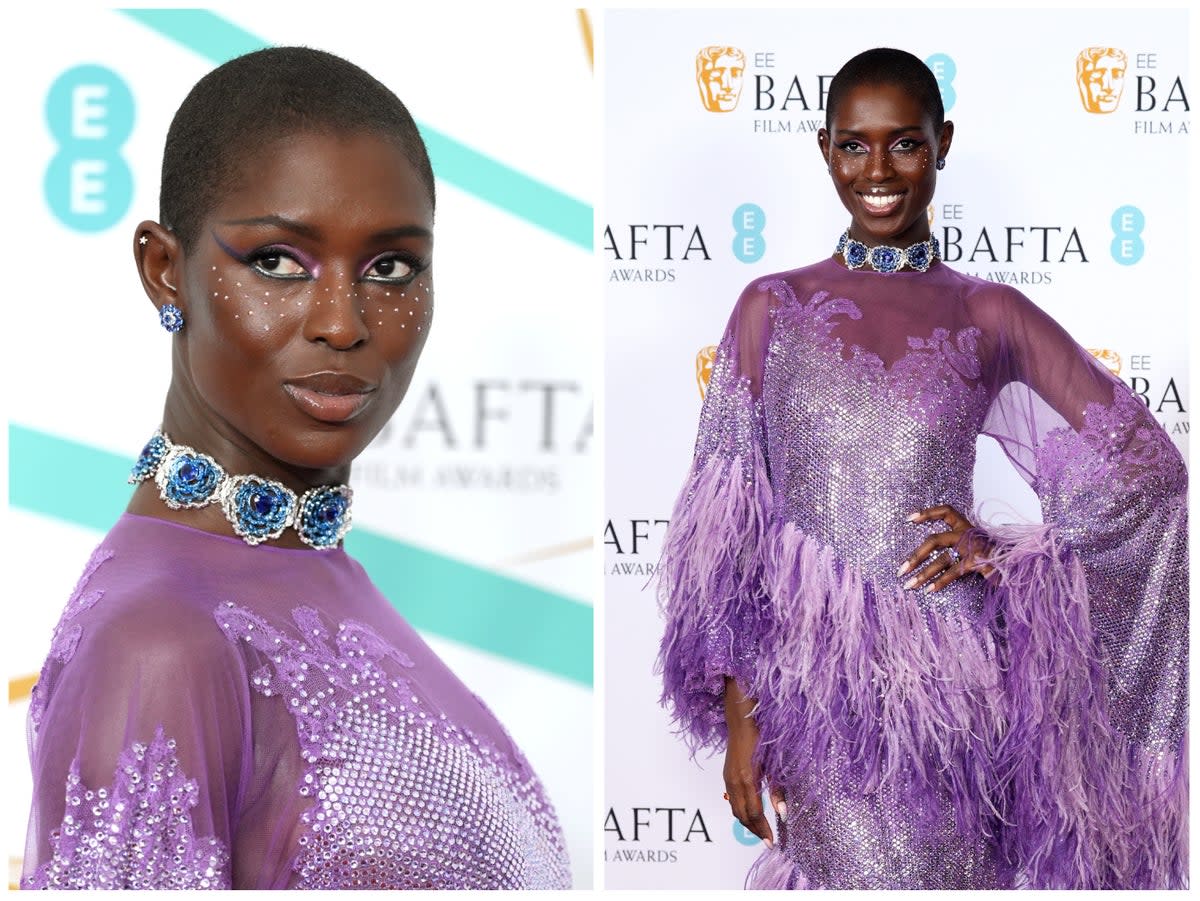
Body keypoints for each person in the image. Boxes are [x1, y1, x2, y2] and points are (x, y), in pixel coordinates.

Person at [22, 47, 571, 890]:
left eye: (390, 267)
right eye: (278, 262)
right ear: (164, 270)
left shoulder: (316, 573)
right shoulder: (159, 643)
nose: (343, 323)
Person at [657, 47, 1186, 890]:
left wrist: (1009, 554)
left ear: (942, 143)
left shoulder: (989, 310)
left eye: (903, 144)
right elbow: (728, 539)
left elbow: (1147, 470)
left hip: (956, 689)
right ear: (825, 149)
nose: (877, 170)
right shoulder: (772, 307)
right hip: (814, 696)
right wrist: (741, 716)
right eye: (853, 145)